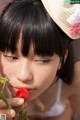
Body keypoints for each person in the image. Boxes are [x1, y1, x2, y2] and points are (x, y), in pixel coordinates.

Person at [0, 0, 80, 120]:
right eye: (12, 57)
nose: (24, 76)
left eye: (43, 60)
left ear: (62, 59)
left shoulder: (75, 78)